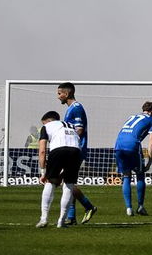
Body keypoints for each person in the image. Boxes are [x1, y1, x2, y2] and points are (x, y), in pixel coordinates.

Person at [55, 84, 96, 224]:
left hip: (75, 149)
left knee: (67, 181)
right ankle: (71, 217)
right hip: (72, 148)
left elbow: (79, 129)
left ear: (66, 94)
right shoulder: (71, 109)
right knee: (67, 182)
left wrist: (68, 143)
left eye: (60, 93)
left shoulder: (77, 108)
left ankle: (88, 206)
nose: (58, 96)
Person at [35, 109, 83, 229]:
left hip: (58, 150)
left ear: (47, 121)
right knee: (69, 185)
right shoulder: (71, 125)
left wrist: (43, 173)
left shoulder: (47, 126)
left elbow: (42, 151)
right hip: (76, 151)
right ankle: (61, 221)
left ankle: (43, 218)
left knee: (50, 182)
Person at [113, 102, 152, 217]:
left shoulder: (132, 117)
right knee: (140, 174)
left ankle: (128, 208)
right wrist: (150, 161)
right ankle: (140, 206)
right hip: (132, 146)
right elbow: (151, 142)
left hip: (118, 145)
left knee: (126, 176)